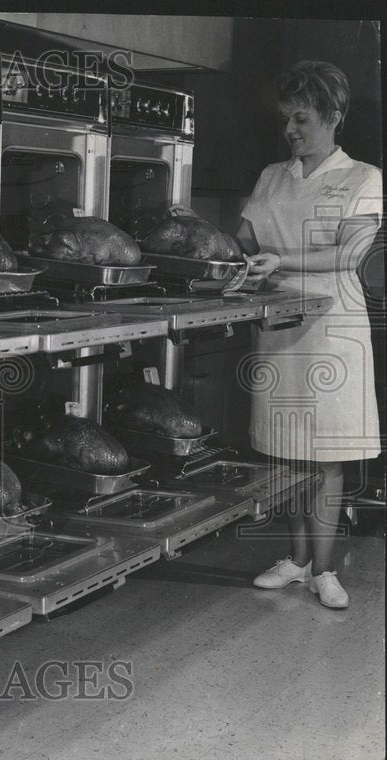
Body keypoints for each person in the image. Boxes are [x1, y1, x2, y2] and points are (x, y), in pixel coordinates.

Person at [235, 61, 382, 608]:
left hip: (332, 332)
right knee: (285, 451)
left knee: (325, 455)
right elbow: (244, 237)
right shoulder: (274, 175)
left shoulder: (362, 177)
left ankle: (325, 570)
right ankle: (296, 560)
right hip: (278, 325)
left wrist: (281, 257)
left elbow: (350, 253)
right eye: (285, 120)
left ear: (334, 117)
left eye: (302, 118)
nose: (291, 130)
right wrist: (229, 252)